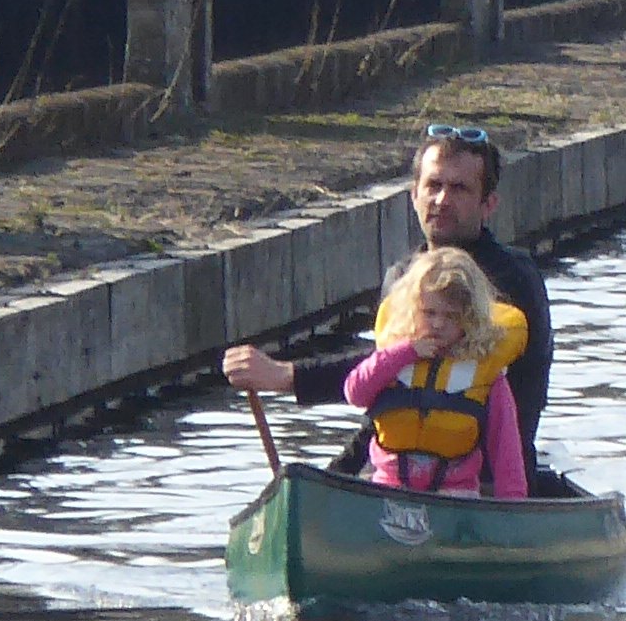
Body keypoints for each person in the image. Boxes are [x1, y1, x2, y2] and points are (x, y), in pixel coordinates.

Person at [224, 122, 557, 445]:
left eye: (459, 189)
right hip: (403, 463)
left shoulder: (515, 279)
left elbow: (526, 397)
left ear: (489, 205)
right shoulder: (401, 277)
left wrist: (290, 377)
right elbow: (384, 379)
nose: (441, 200)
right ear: (414, 194)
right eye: (433, 185)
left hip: (484, 474)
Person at [339, 245, 531, 497]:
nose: (438, 324)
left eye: (451, 316)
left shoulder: (487, 375)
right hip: (389, 488)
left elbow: (506, 451)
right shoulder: (394, 359)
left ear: (469, 319)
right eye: (429, 313)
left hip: (455, 496)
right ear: (412, 309)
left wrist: (512, 506)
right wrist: (407, 351)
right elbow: (355, 393)